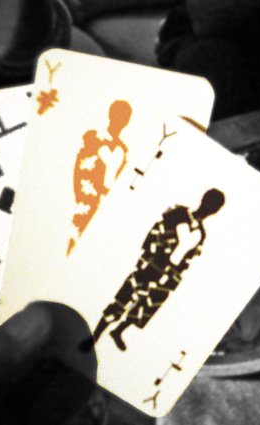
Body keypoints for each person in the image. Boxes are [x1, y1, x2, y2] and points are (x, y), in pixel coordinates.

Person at [91, 188, 225, 351]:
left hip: (167, 275)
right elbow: (157, 230)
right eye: (209, 203)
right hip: (151, 264)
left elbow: (187, 259)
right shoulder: (179, 212)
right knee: (124, 297)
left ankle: (118, 331)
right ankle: (96, 334)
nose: (209, 209)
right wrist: (150, 254)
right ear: (203, 199)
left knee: (145, 304)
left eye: (214, 208)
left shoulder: (201, 235)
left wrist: (173, 277)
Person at [67, 100, 132, 255]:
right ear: (110, 114)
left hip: (104, 206)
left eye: (124, 118)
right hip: (84, 199)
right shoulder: (92, 137)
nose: (120, 121)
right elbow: (80, 167)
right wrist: (85, 196)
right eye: (118, 115)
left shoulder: (123, 150)